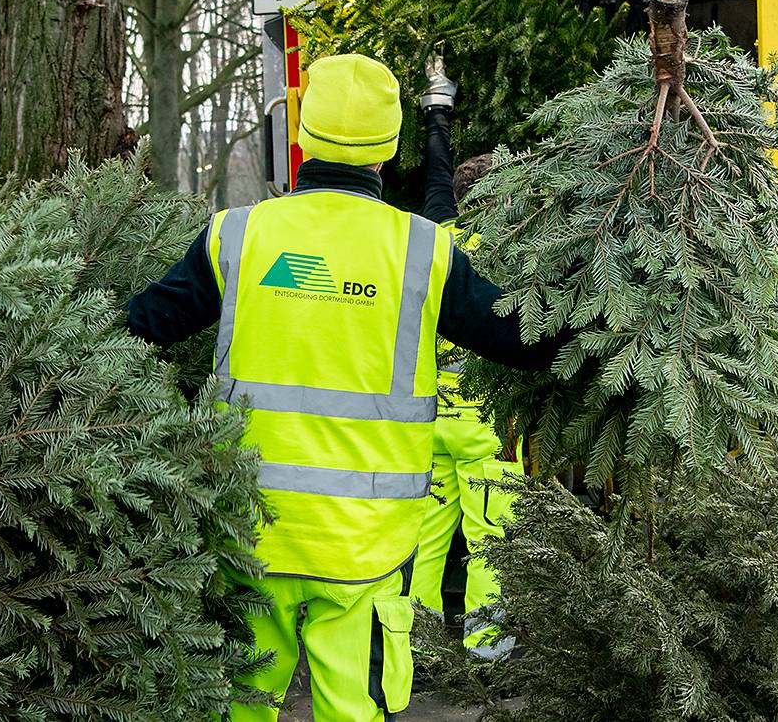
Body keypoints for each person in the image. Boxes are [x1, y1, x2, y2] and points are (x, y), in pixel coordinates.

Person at [125, 54, 556, 722]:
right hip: (365, 547)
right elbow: (527, 344)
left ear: (299, 136)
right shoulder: (423, 250)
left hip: (247, 535)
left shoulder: (236, 237)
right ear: (386, 149)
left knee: (241, 707)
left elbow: (134, 330)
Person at [411, 62, 521, 658]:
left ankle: (420, 649)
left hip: (429, 420)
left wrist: (437, 108)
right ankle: (488, 649)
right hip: (486, 428)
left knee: (427, 539)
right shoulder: (506, 256)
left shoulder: (436, 243)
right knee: (491, 538)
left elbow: (435, 177)